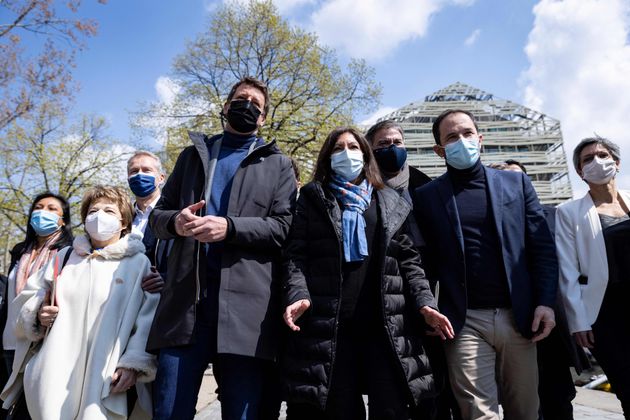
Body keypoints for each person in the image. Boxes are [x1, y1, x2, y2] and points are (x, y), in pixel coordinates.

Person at [148, 76, 296, 420]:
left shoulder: (279, 165)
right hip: (186, 308)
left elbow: (284, 228)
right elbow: (158, 215)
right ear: (225, 107)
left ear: (263, 119)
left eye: (256, 105)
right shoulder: (191, 157)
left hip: (246, 315)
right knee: (169, 411)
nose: (247, 106)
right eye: (240, 99)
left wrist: (229, 227)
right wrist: (175, 222)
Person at [281, 127, 452, 419]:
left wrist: (425, 303)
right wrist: (299, 295)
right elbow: (295, 256)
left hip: (386, 328)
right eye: (338, 148)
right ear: (327, 157)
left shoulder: (390, 201)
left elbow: (409, 261)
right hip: (331, 329)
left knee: (392, 409)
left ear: (365, 154)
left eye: (353, 146)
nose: (346, 153)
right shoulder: (312, 198)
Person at [412, 109, 558, 420]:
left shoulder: (515, 184)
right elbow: (421, 261)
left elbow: (542, 249)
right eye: (452, 137)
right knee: (478, 414)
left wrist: (545, 302)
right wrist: (427, 307)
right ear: (439, 150)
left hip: (519, 319)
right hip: (464, 322)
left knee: (526, 411)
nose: (461, 141)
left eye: (467, 133)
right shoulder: (425, 197)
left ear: (480, 139)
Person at [1, 186, 158, 419]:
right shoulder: (64, 257)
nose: (99, 216)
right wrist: (38, 316)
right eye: (93, 211)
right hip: (54, 369)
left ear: (124, 222)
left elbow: (146, 319)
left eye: (109, 211)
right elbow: (27, 300)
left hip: (105, 374)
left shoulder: (138, 263)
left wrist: (132, 364)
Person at [367, 120, 459, 420]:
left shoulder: (428, 187)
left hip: (431, 298)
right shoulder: (363, 190)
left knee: (435, 387)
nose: (391, 149)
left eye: (397, 142)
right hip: (385, 299)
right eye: (382, 144)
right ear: (370, 149)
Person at [501, 159, 588, 420]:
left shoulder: (555, 215)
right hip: (512, 321)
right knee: (521, 400)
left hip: (552, 319)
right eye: (506, 179)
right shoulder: (492, 222)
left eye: (519, 178)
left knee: (559, 395)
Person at [555, 136, 630, 417]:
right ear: (580, 172)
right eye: (587, 159)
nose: (597, 161)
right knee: (626, 385)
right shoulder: (569, 213)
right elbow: (567, 270)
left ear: (616, 162)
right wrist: (578, 321)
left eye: (602, 154)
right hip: (605, 314)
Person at [1, 192, 73, 419]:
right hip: (9, 343)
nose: (43, 212)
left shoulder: (68, 253)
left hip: (38, 346)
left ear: (64, 220)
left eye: (52, 209)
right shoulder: (20, 251)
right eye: (39, 207)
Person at [127, 150, 168, 293]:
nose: (139, 175)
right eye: (133, 171)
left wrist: (168, 279)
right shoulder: (123, 218)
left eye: (146, 170)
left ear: (161, 178)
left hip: (161, 301)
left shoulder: (173, 214)